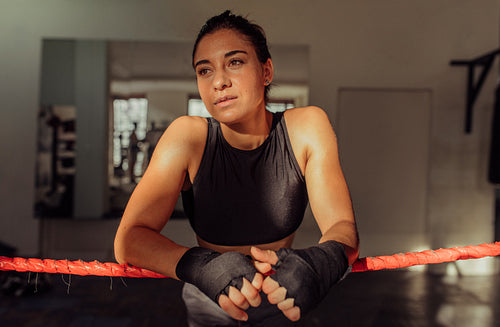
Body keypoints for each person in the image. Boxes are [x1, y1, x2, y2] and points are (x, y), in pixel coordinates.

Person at [114, 11, 359, 326]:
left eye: (235, 62)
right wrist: (202, 266)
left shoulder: (307, 127)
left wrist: (320, 261)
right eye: (205, 70)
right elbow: (128, 240)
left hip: (283, 294)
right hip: (211, 298)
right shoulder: (188, 137)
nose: (219, 82)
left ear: (266, 70)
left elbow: (342, 226)